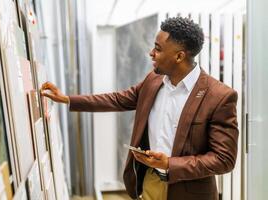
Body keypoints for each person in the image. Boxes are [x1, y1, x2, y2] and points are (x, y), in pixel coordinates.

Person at [41, 17, 238, 200]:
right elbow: (117, 99)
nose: (152, 53)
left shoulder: (219, 96)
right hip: (150, 180)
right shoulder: (153, 80)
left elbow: (223, 159)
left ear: (179, 56)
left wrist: (170, 164)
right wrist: (67, 99)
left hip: (189, 192)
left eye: (158, 49)